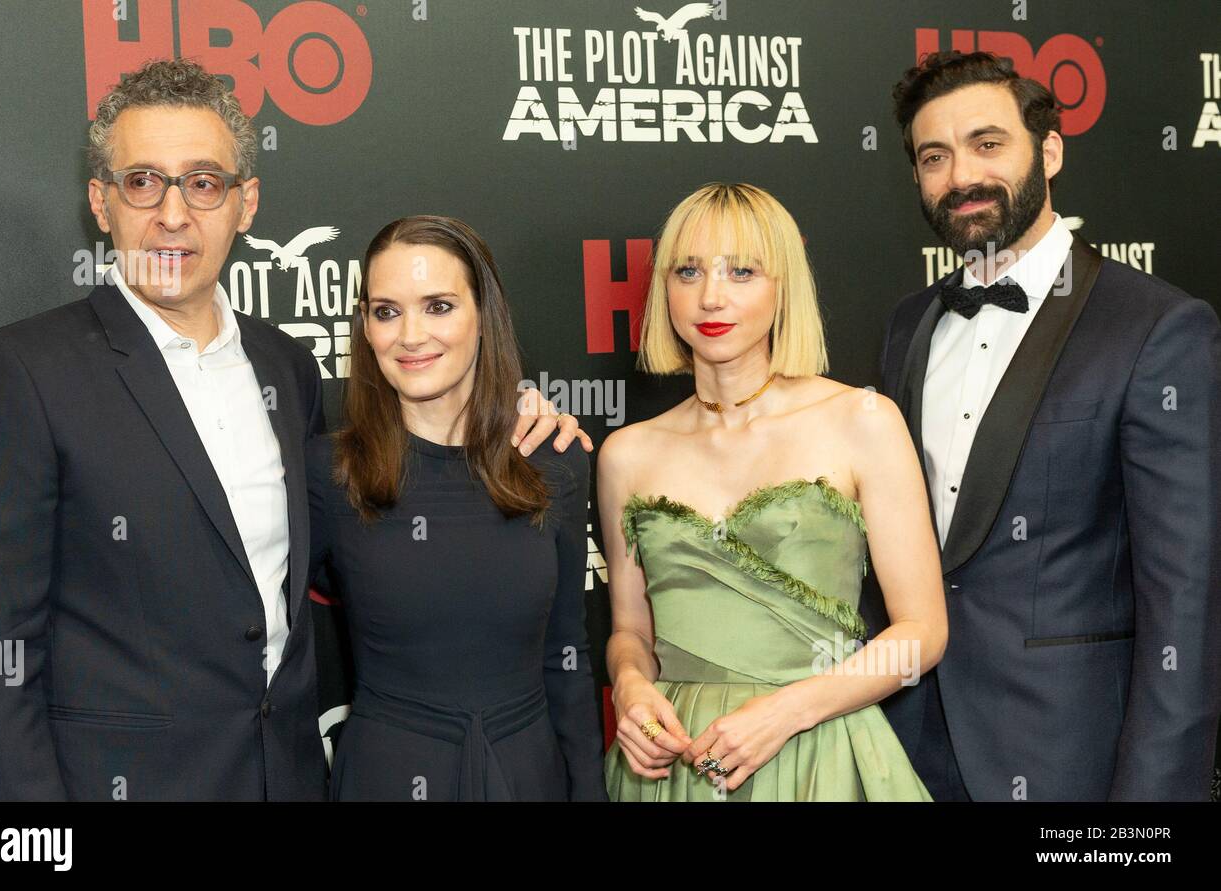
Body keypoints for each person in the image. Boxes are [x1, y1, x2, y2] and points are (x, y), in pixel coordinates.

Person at [0, 59, 584, 801]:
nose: (173, 214)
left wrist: (513, 424)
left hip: (289, 778)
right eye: (143, 181)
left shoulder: (287, 366)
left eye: (203, 183)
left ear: (245, 203)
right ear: (101, 202)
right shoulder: (20, 371)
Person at [868, 50, 1221, 801]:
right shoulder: (907, 324)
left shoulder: (1158, 327)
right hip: (905, 755)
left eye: (987, 144)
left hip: (1072, 762)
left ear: (1050, 151)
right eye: (935, 156)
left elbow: (1185, 604)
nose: (961, 175)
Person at [599, 183, 946, 801]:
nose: (711, 295)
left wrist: (788, 712)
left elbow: (921, 633)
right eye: (688, 270)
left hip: (821, 752)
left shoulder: (862, 419)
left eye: (742, 271)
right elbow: (631, 630)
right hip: (676, 765)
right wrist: (630, 685)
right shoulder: (627, 454)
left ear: (782, 287)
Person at [306, 215, 607, 801]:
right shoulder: (329, 473)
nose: (411, 335)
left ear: (482, 315)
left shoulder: (556, 463)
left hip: (527, 775)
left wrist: (588, 792)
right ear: (364, 328)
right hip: (385, 777)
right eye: (386, 311)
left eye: (438, 306)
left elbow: (568, 656)